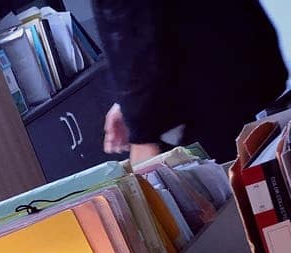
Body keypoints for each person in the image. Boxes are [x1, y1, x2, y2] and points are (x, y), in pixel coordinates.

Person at [93, 0, 288, 165]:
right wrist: (127, 104)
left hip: (210, 93)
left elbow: (132, 29)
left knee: (236, 181)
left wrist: (141, 129)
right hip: (242, 59)